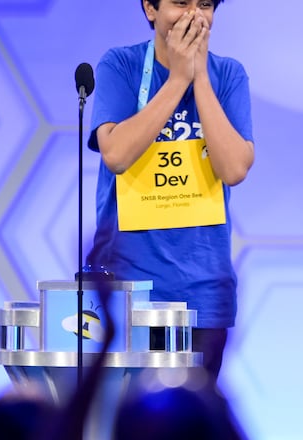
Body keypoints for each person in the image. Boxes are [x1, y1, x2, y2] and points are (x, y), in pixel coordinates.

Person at [85, 0, 254, 383]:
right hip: (129, 292)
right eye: (180, 2)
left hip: (203, 293)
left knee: (191, 413)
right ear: (150, 8)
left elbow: (234, 169)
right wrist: (177, 79)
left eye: (205, 5)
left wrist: (200, 78)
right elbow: (116, 155)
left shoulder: (229, 74)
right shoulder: (121, 65)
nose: (194, 15)